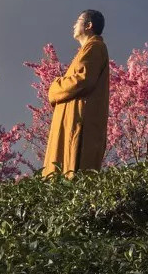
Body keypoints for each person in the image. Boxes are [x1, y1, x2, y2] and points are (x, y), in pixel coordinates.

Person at [41, 9, 110, 178]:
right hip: (71, 120)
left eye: (77, 21)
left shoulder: (95, 46)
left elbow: (83, 79)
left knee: (71, 169)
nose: (73, 25)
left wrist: (54, 88)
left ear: (88, 25)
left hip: (79, 120)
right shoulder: (88, 48)